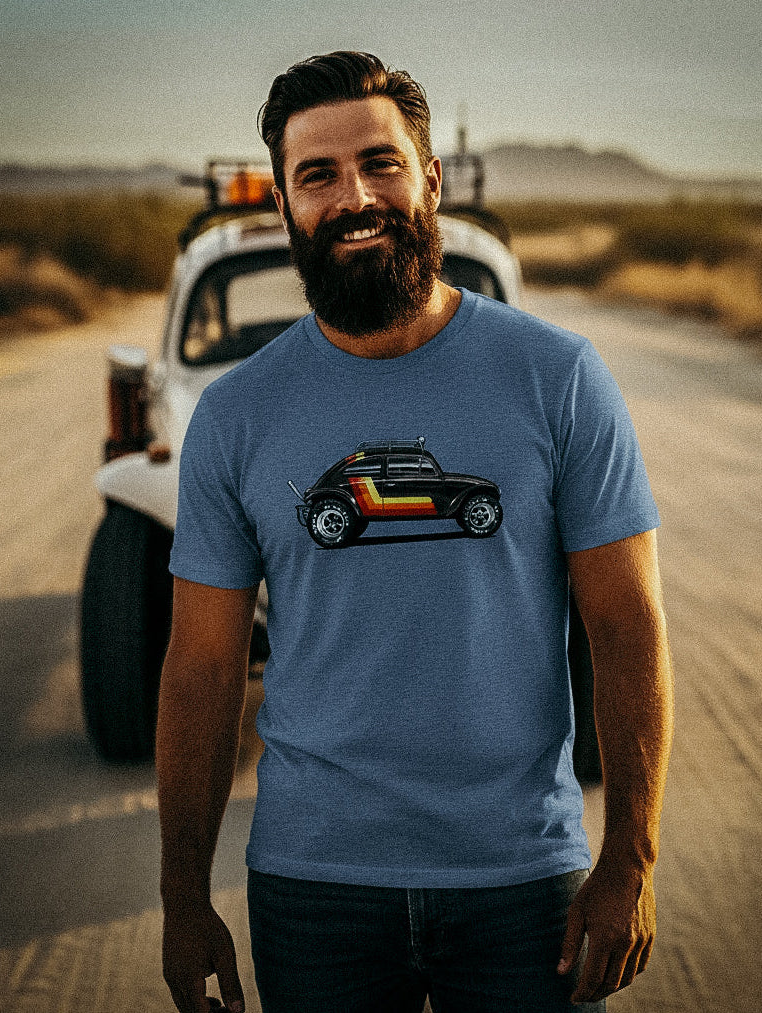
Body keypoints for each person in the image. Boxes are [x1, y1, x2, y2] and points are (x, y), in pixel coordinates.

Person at [157, 51, 674, 1013]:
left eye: (379, 163)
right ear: (284, 205)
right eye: (317, 174)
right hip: (314, 886)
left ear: (429, 179)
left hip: (525, 878)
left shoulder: (557, 378)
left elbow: (627, 627)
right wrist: (182, 895)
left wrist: (629, 859)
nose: (353, 196)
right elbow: (199, 667)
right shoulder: (233, 418)